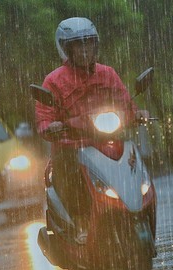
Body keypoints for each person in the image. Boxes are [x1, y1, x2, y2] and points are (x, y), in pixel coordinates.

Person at [35, 17, 147, 244]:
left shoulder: (108, 73)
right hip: (72, 147)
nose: (85, 50)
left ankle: (139, 208)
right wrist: (51, 127)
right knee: (69, 171)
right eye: (79, 45)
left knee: (133, 164)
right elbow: (44, 118)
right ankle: (81, 222)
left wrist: (137, 114)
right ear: (67, 49)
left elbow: (125, 102)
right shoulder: (53, 81)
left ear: (96, 45)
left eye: (89, 43)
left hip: (107, 140)